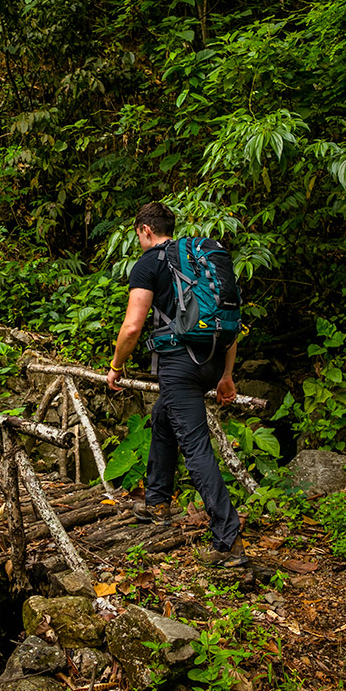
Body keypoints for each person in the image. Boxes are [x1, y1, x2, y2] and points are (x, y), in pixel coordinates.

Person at [107, 202, 247, 567]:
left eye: (137, 235)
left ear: (145, 230)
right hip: (213, 360)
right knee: (163, 417)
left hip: (179, 364)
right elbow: (230, 322)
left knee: (195, 445)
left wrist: (116, 366)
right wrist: (227, 375)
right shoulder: (202, 260)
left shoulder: (149, 263)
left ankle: (227, 541)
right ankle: (157, 502)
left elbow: (133, 326)